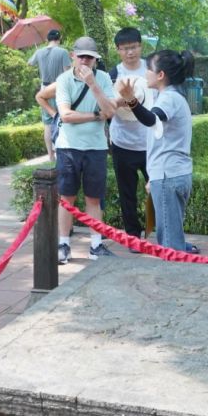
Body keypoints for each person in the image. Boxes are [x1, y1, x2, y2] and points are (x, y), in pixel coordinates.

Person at [116, 50, 194, 251]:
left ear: (161, 75)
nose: (145, 74)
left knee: (170, 246)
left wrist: (130, 99)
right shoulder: (172, 96)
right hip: (169, 173)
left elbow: (152, 119)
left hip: (169, 175)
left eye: (149, 69)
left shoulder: (169, 98)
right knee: (171, 236)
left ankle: (172, 279)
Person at [53, 36, 117, 264]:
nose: (85, 61)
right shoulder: (63, 80)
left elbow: (110, 111)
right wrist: (95, 115)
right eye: (82, 56)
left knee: (94, 198)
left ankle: (96, 245)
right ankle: (63, 244)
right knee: (67, 197)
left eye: (90, 57)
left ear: (96, 60)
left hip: (96, 147)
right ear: (73, 56)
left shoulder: (103, 79)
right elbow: (66, 115)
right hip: (68, 147)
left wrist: (93, 85)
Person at [107, 27, 150, 243]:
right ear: (118, 50)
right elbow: (107, 107)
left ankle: (162, 234)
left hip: (151, 143)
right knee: (127, 193)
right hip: (122, 142)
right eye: (125, 49)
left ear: (141, 46)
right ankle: (133, 237)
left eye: (133, 47)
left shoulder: (151, 69)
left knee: (158, 191)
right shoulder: (113, 75)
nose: (130, 52)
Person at [28, 29, 71, 160]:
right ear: (59, 38)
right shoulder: (63, 52)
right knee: (63, 119)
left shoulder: (39, 51)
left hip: (44, 88)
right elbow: (67, 71)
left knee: (47, 124)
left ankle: (51, 156)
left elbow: (29, 63)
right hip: (59, 87)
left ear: (47, 39)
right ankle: (62, 153)